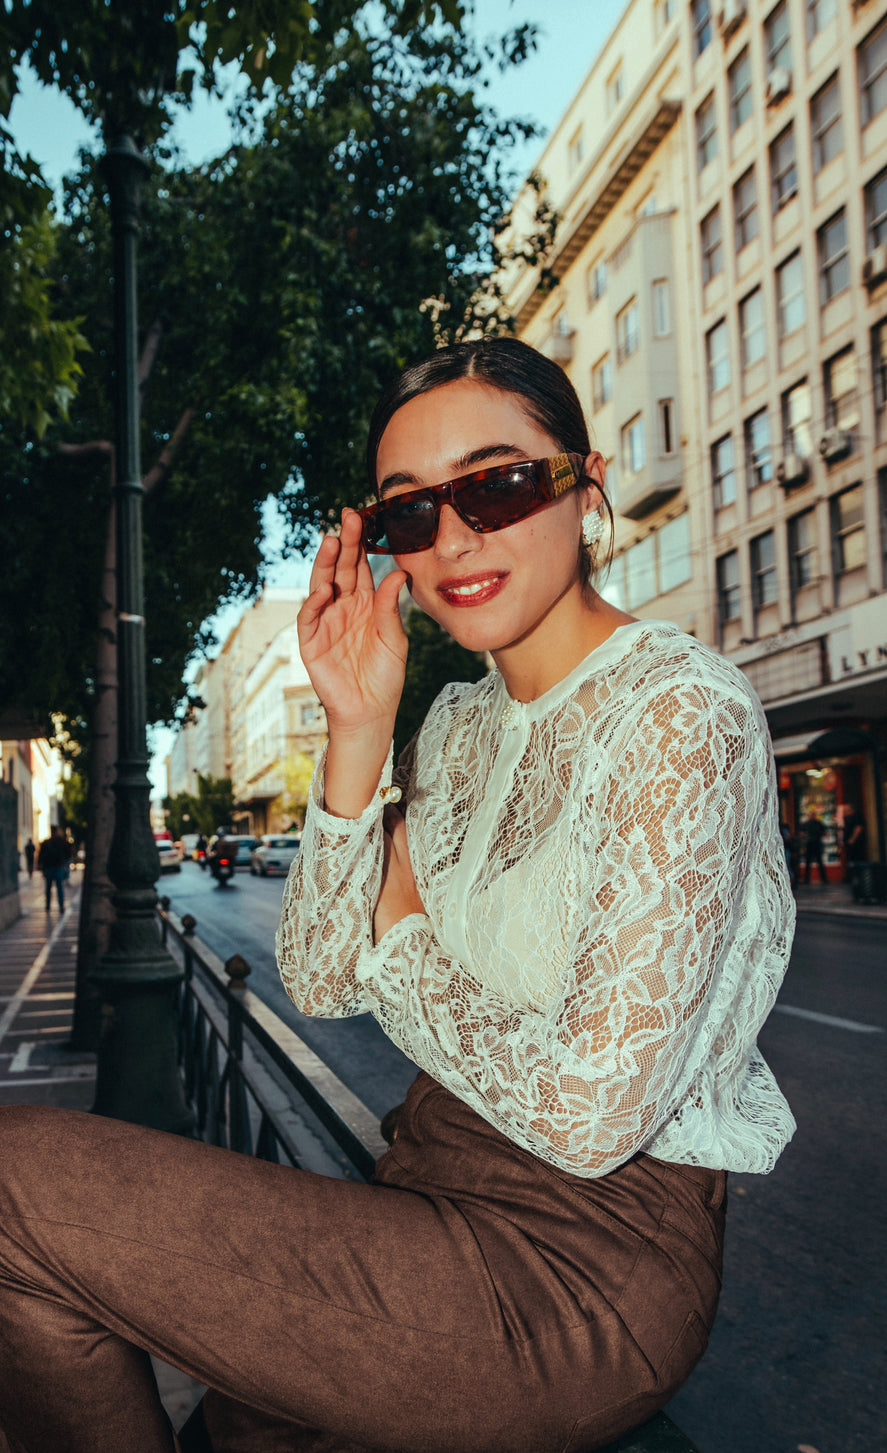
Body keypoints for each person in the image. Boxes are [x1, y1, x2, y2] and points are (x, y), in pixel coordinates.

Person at [0, 338, 796, 1453]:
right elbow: (324, 972)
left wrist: (406, 933)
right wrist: (358, 726)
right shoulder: (455, 727)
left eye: (497, 483)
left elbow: (588, 1109)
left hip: (580, 1272)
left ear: (586, 480)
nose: (454, 538)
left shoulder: (680, 714)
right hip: (419, 1195)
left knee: (13, 1186)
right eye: (407, 514)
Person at [35, 824, 70, 912]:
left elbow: (41, 855)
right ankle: (61, 906)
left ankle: (48, 906)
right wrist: (64, 862)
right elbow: (68, 853)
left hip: (49, 867)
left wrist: (40, 865)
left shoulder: (46, 843)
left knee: (48, 887)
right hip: (58, 867)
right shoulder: (62, 841)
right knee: (59, 887)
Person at [801, 810, 826, 885]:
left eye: (813, 815)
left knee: (820, 862)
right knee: (808, 862)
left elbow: (824, 832)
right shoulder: (806, 824)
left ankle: (824, 879)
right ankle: (807, 879)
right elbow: (802, 833)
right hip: (809, 844)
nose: (812, 816)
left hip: (817, 843)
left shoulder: (819, 823)